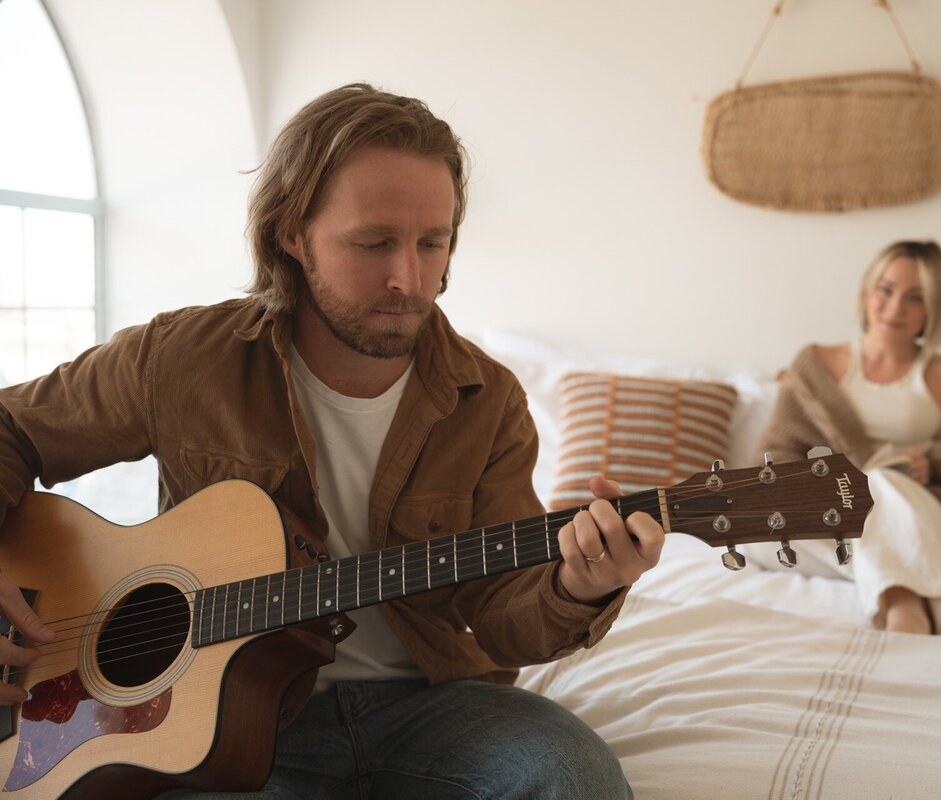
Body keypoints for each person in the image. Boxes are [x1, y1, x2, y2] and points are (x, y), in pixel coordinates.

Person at [0, 82, 663, 798]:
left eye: (431, 243)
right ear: (292, 233)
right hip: (223, 719)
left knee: (575, 777)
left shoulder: (489, 399)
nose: (408, 279)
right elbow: (12, 429)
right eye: (373, 242)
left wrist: (578, 587)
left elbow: (503, 620)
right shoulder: (182, 358)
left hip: (432, 705)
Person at [748, 240, 941, 635]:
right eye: (886, 290)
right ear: (866, 291)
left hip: (918, 516)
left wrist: (936, 461)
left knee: (882, 484)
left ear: (935, 308)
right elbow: (773, 460)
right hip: (836, 515)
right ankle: (933, 585)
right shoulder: (814, 365)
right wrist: (828, 481)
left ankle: (902, 606)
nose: (896, 308)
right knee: (750, 532)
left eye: (916, 297)